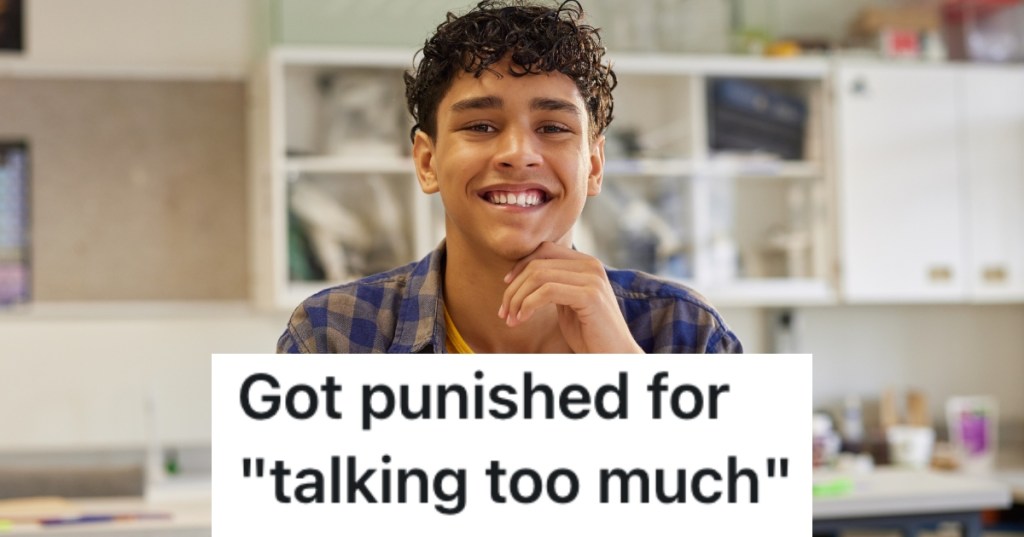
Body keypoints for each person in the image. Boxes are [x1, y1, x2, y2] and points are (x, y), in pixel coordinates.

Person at [278, 0, 742, 354]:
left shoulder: (687, 334)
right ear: (426, 162)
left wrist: (629, 380)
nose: (519, 154)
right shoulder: (332, 337)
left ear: (594, 165)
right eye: (481, 126)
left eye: (553, 128)